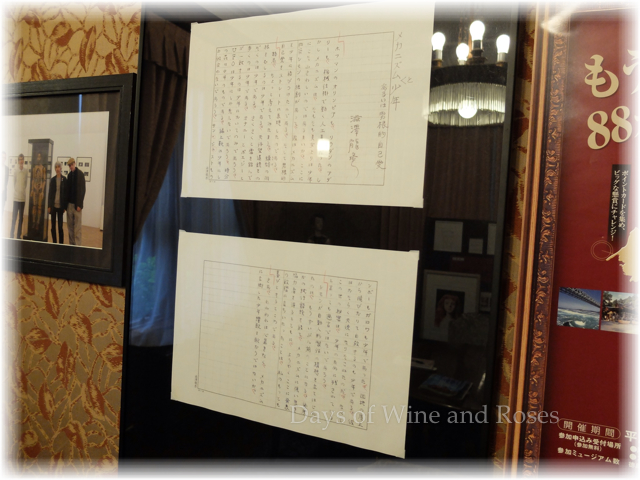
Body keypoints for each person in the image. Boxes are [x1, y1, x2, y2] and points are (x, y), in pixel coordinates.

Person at [66, 157, 86, 246]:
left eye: (71, 165)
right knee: (70, 227)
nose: (71, 167)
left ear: (74, 163)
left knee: (77, 227)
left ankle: (78, 246)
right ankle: (71, 244)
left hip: (77, 205)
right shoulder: (69, 176)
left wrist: (80, 205)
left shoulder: (80, 174)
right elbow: (67, 191)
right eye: (69, 165)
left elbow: (83, 190)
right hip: (69, 205)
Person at [47, 161, 67, 244]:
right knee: (53, 227)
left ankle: (61, 244)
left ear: (61, 168)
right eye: (56, 167)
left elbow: (66, 194)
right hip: (53, 207)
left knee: (60, 227)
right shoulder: (52, 180)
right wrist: (49, 206)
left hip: (60, 207)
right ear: (55, 169)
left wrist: (65, 207)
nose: (57, 169)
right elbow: (50, 194)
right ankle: (54, 242)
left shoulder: (64, 179)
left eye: (59, 167)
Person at [10, 154, 28, 239]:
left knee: (21, 218)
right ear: (18, 161)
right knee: (14, 218)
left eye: (22, 159)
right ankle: (11, 235)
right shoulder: (15, 171)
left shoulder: (26, 171)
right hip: (16, 198)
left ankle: (18, 235)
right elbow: (14, 183)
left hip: (22, 199)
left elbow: (25, 184)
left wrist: (22, 191)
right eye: (20, 159)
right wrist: (17, 191)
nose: (21, 161)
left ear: (23, 161)